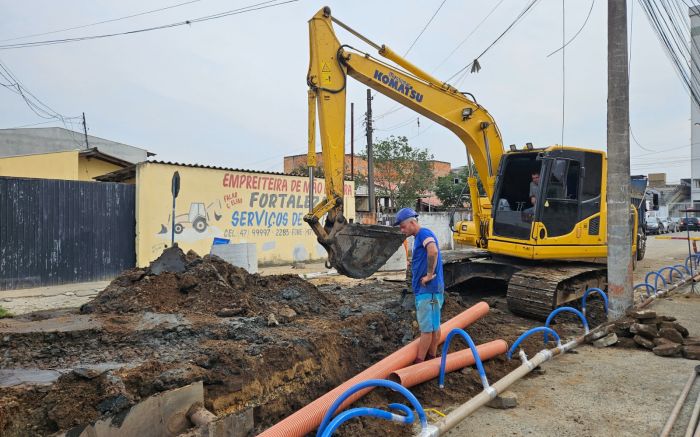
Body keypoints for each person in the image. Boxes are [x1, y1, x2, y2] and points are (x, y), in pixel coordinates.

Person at [394, 207, 445, 364]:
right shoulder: (420, 237)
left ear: (412, 222)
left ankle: (420, 362)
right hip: (433, 290)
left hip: (427, 290)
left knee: (426, 329)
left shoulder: (423, 233)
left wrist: (429, 274)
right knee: (435, 326)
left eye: (403, 227)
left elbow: (433, 251)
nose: (402, 230)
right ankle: (432, 357)